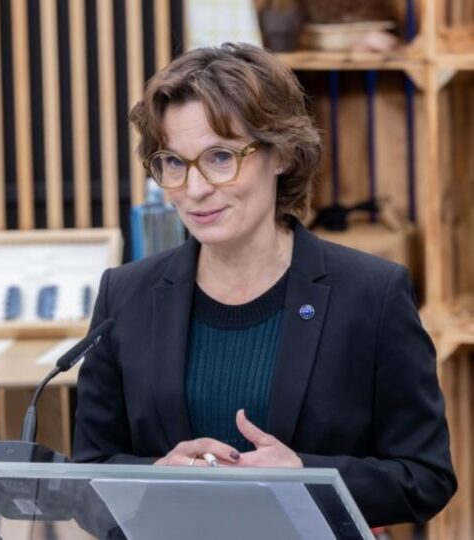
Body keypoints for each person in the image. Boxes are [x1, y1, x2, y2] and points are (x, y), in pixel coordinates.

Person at [72, 43, 456, 527]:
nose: (194, 189)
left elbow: (425, 477)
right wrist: (155, 477)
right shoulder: (125, 295)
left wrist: (306, 478)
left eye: (220, 157)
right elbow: (87, 477)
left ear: (281, 155)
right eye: (173, 163)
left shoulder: (372, 294)